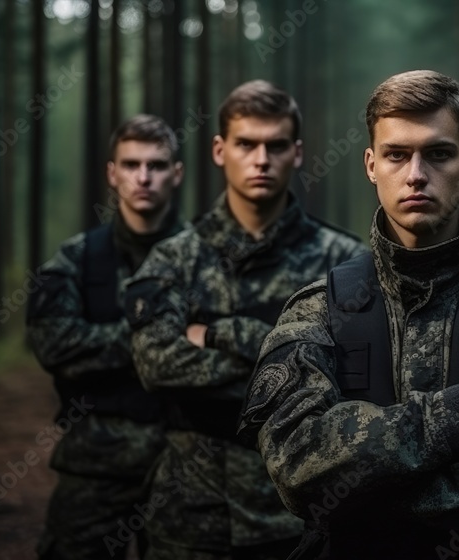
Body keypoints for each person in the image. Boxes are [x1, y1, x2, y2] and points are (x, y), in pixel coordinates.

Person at [238, 70, 459, 560]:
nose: (415, 174)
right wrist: (455, 421)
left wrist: (367, 496)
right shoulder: (318, 308)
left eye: (438, 153)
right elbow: (297, 463)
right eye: (396, 154)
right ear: (370, 164)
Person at [124, 81, 366, 560]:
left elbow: (354, 375)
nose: (261, 160)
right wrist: (295, 368)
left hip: (304, 510)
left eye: (276, 146)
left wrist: (217, 334)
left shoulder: (344, 263)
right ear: (219, 150)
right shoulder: (173, 260)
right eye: (246, 145)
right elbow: (156, 365)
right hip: (191, 513)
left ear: (297, 154)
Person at [26, 114, 186, 559]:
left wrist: (104, 345)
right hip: (95, 464)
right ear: (112, 174)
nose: (143, 177)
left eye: (156, 166)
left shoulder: (205, 258)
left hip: (183, 463)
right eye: (131, 165)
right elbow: (53, 344)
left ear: (176, 173)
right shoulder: (76, 258)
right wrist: (161, 339)